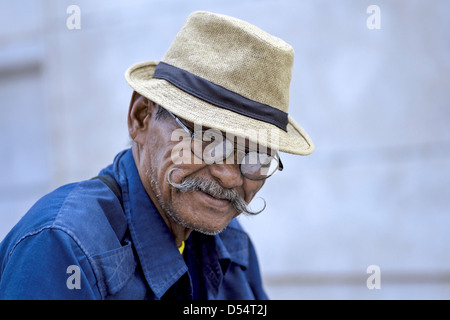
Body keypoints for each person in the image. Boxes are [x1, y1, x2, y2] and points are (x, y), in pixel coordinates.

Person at [0, 11, 314, 299]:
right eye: (207, 140)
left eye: (256, 155)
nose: (231, 176)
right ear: (141, 118)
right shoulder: (64, 248)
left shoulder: (231, 241)